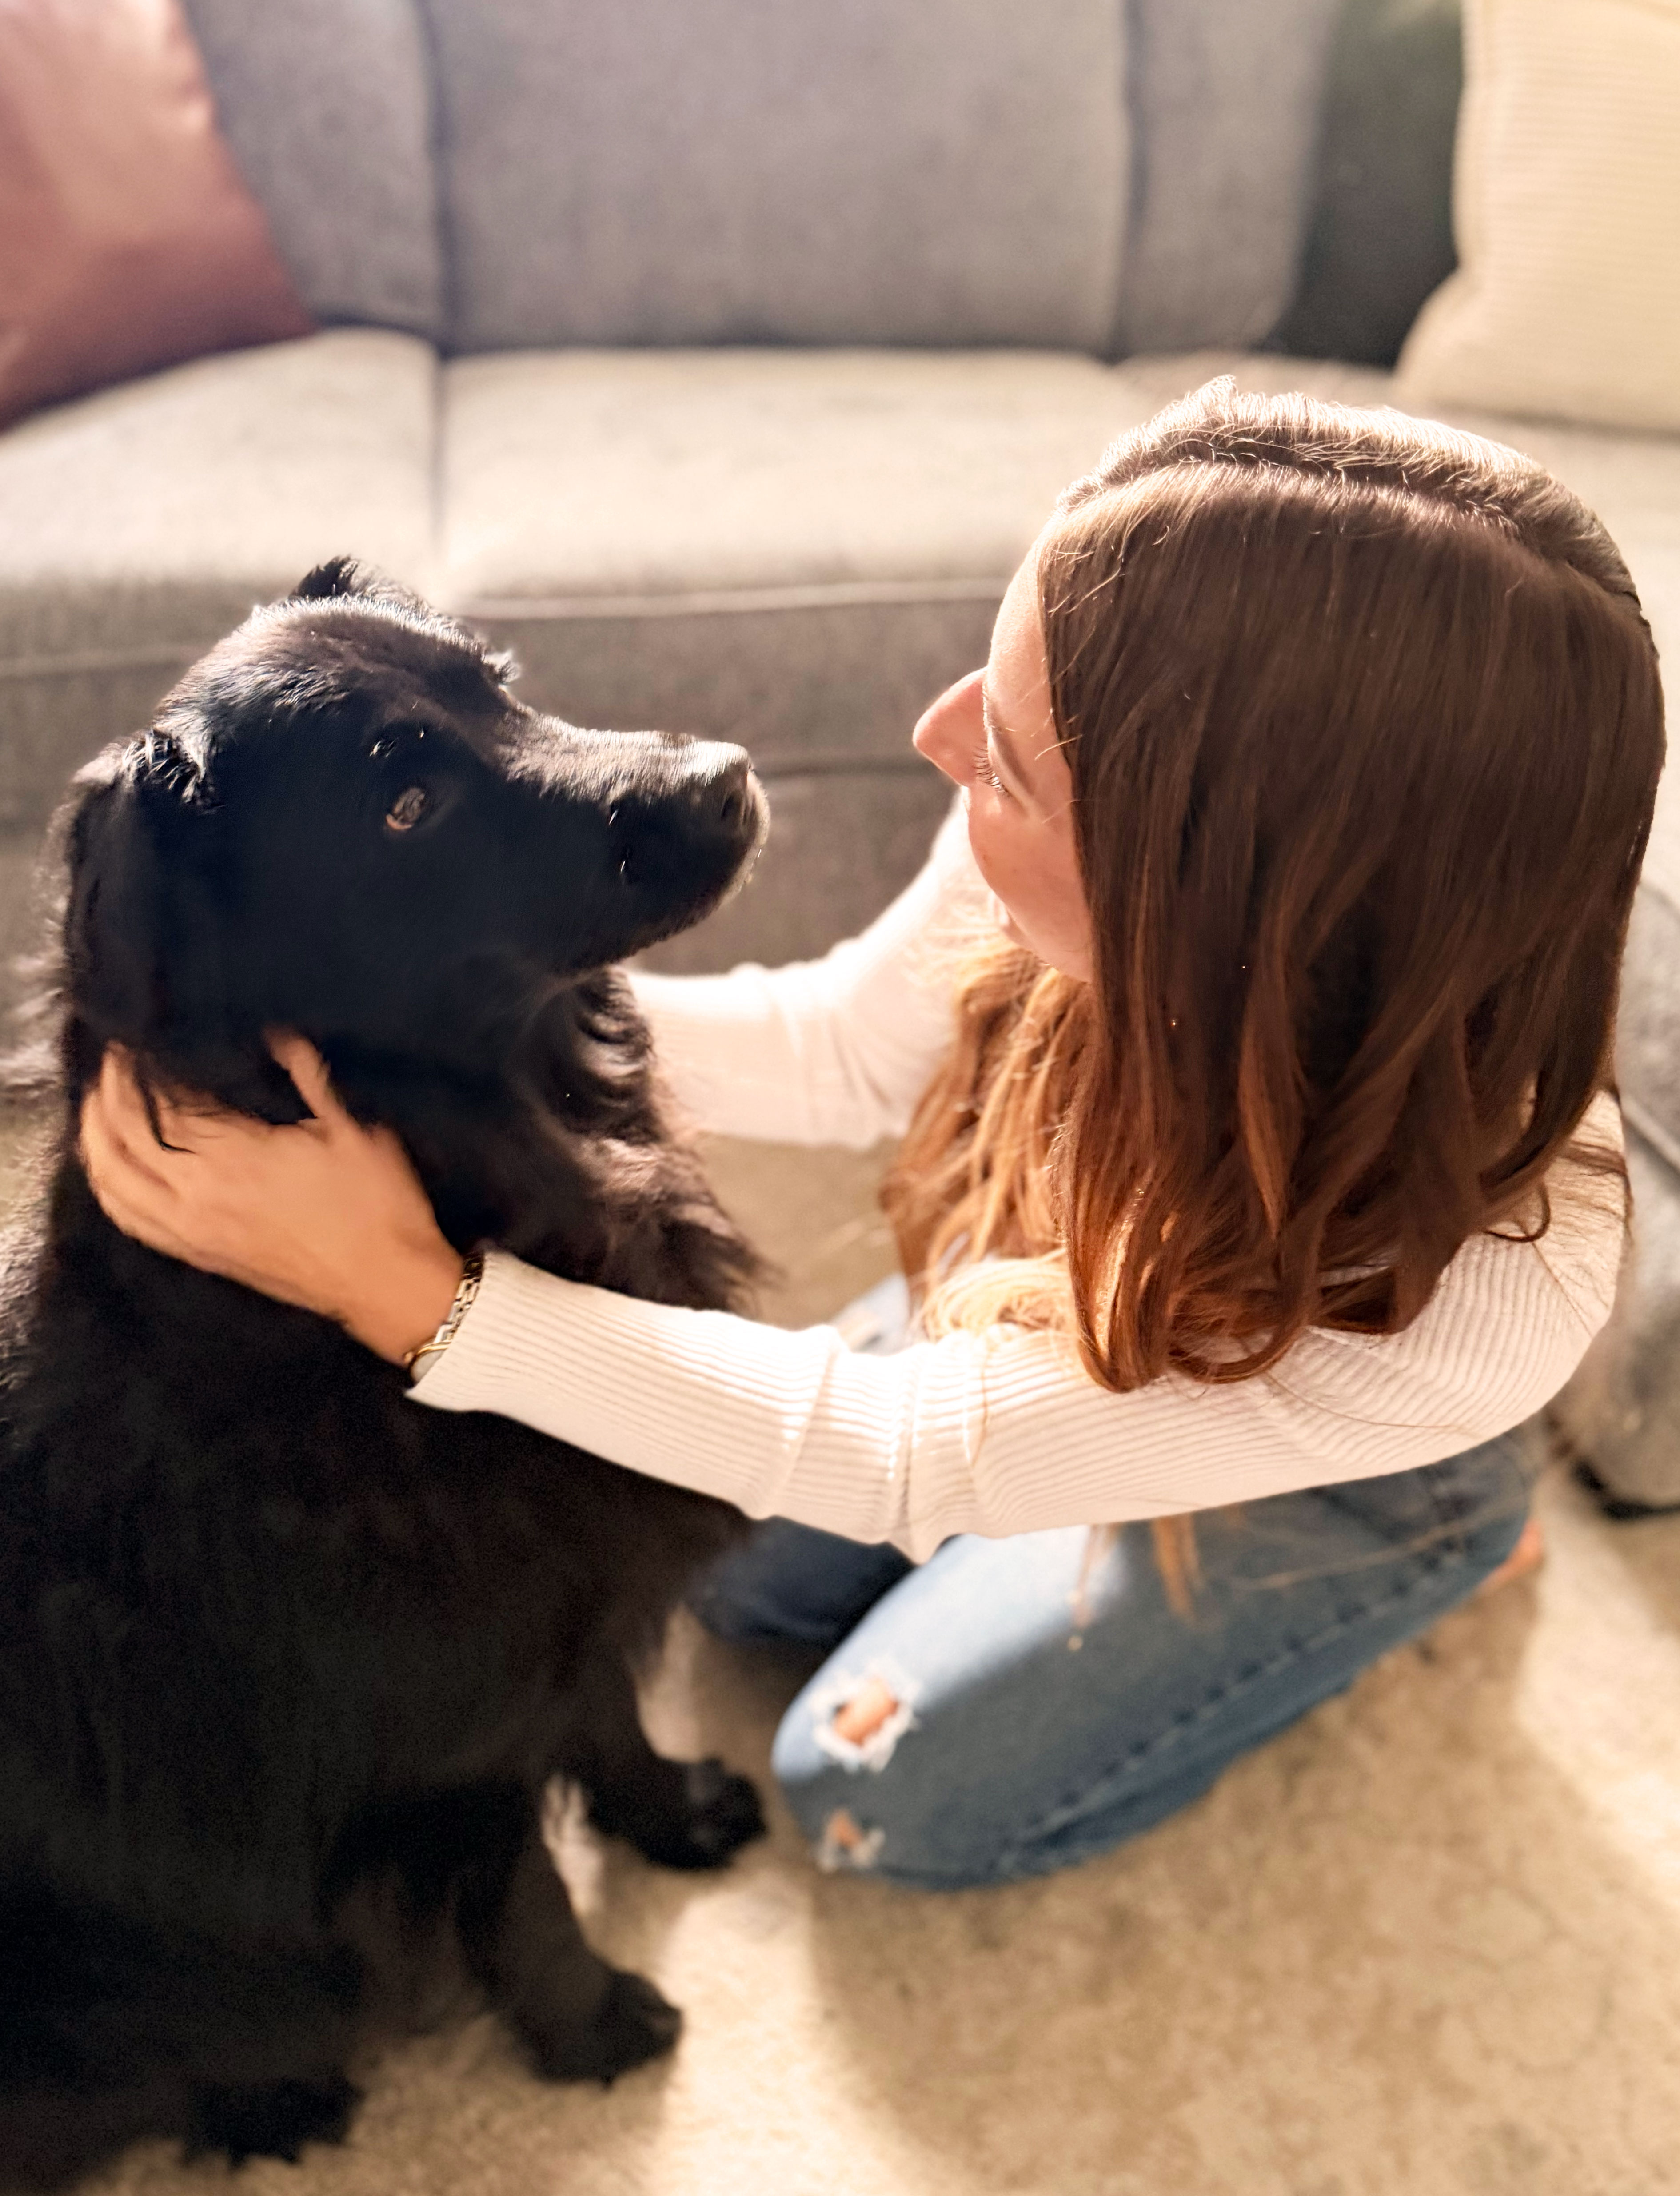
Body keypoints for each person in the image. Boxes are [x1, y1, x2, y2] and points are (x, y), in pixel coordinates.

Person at [80, 383, 1665, 1891]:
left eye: (1012, 765)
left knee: (861, 1788)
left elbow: (908, 1457)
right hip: (1093, 1292)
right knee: (736, 1576)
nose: (939, 734)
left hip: (1339, 1461)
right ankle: (1074, 1391)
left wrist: (417, 1298)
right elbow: (840, 1049)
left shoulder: (1490, 1297)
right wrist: (386, 1062)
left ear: (1214, 901)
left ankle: (1450, 1539)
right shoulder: (1099, 768)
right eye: (996, 677)